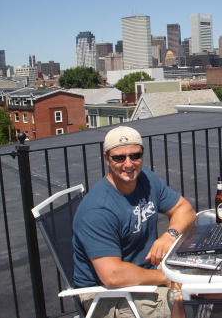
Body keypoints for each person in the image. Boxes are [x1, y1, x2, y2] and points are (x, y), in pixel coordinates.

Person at [73, 126, 196, 318]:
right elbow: (113, 276)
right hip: (105, 296)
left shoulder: (146, 179)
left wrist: (169, 235)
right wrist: (165, 277)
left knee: (208, 283)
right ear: (107, 158)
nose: (128, 164)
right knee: (186, 302)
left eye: (135, 156)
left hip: (143, 274)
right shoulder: (98, 210)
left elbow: (185, 209)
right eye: (119, 158)